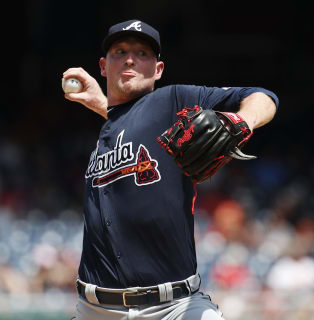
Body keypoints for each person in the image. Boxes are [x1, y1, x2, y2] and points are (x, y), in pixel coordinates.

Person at [62, 19, 278, 320]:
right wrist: (105, 106)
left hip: (174, 307)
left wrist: (242, 121)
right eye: (120, 51)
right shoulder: (111, 126)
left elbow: (262, 96)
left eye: (143, 53)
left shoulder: (171, 100)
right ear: (103, 65)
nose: (130, 59)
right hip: (94, 310)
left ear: (158, 70)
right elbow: (131, 123)